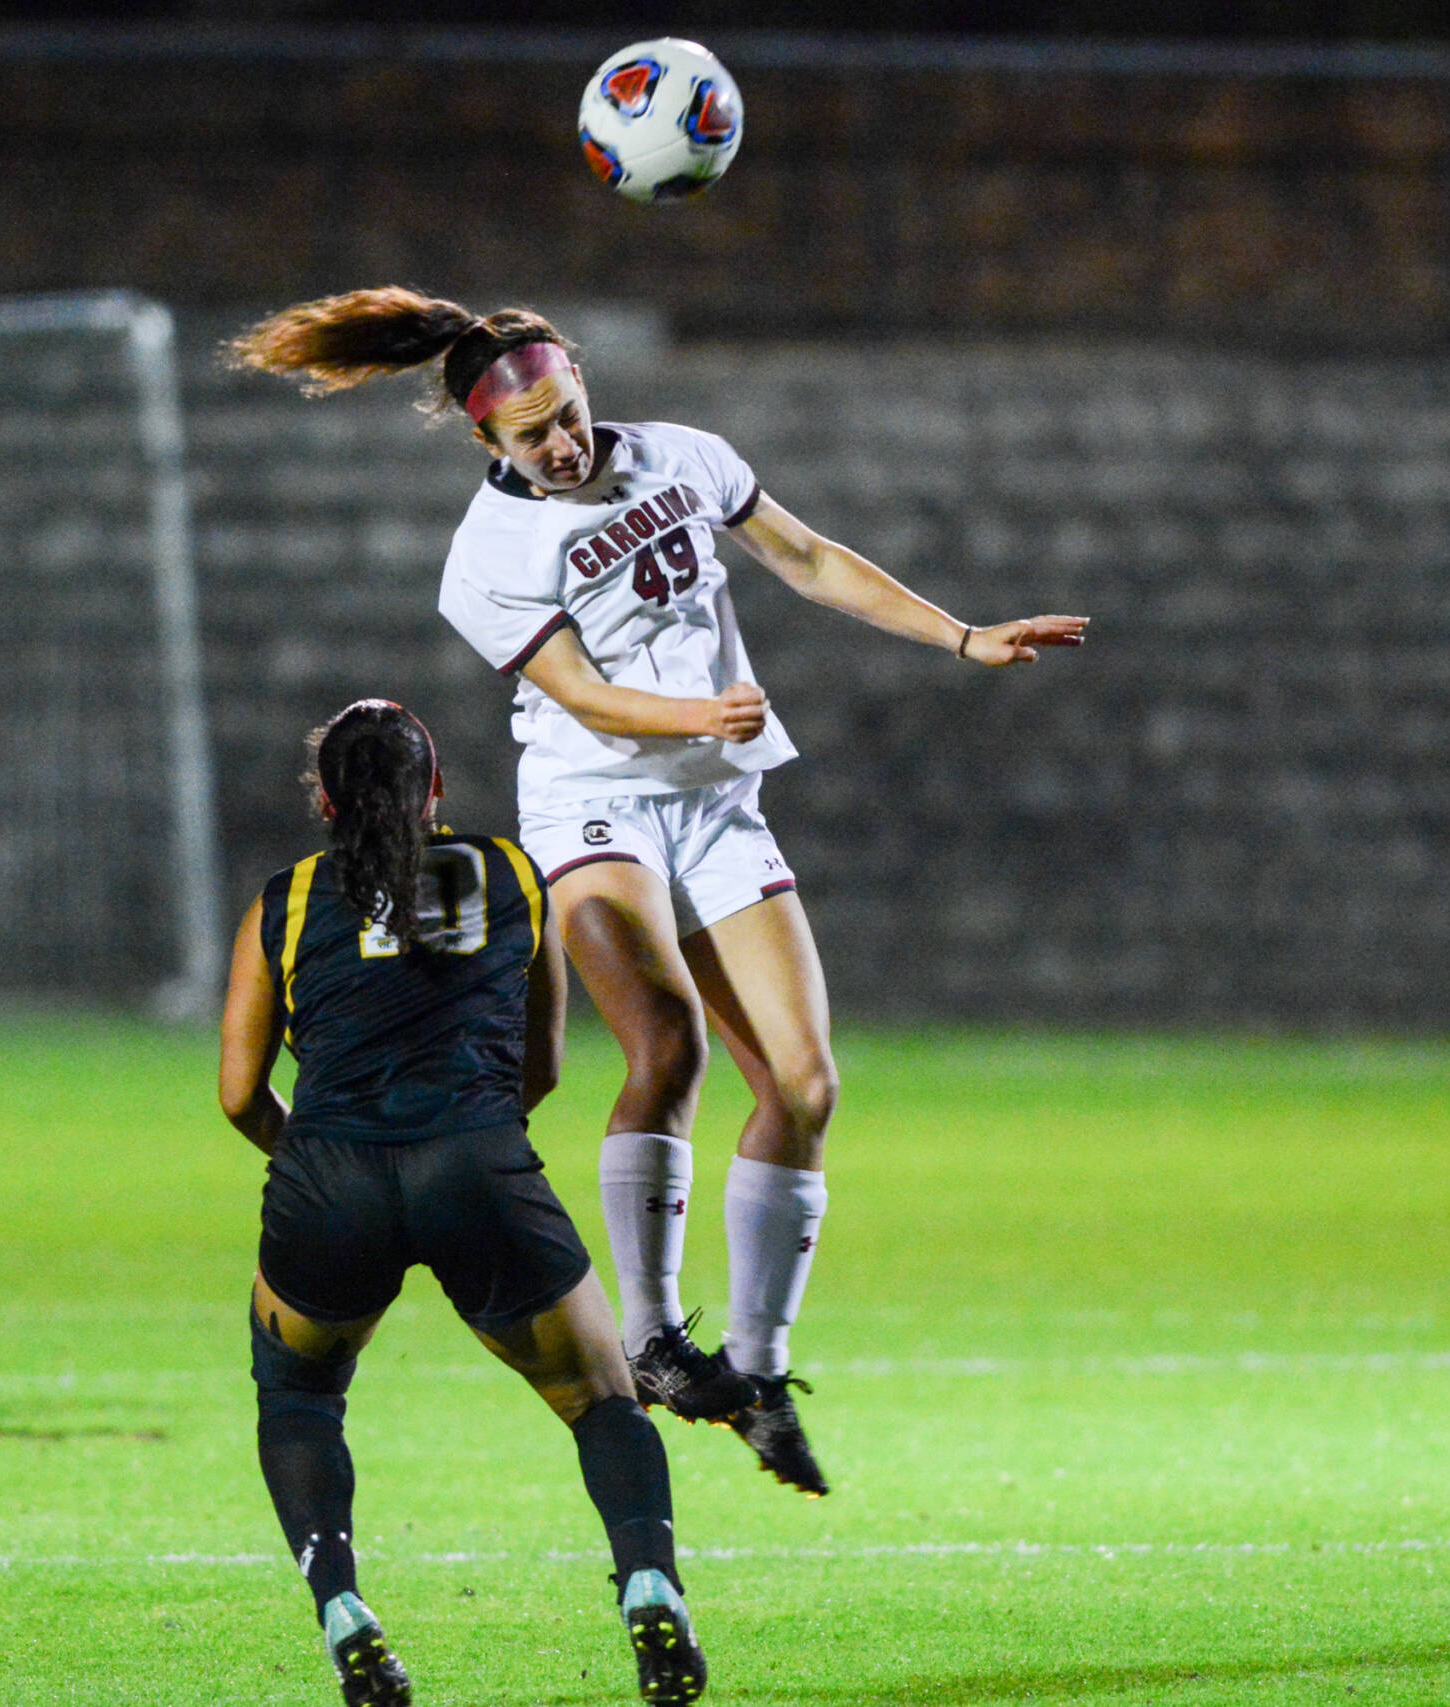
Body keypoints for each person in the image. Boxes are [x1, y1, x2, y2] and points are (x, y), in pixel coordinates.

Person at [229, 291, 1086, 1499]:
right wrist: (700, 712)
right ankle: (649, 1338)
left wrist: (960, 636)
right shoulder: (487, 557)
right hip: (595, 802)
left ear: (579, 378)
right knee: (667, 1043)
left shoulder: (682, 455)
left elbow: (803, 556)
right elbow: (582, 700)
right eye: (532, 439)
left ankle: (760, 1368)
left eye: (566, 417)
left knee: (802, 1083)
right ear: (490, 445)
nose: (561, 446)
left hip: (718, 800)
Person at [219, 699, 708, 1707]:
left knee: (300, 1396)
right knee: (602, 1401)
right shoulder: (511, 873)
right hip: (475, 1167)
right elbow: (540, 1071)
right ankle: (649, 1585)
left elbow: (236, 1093)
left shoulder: (285, 899)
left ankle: (344, 1613)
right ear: (434, 790)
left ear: (323, 801)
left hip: (329, 1183)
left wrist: (314, 1148)